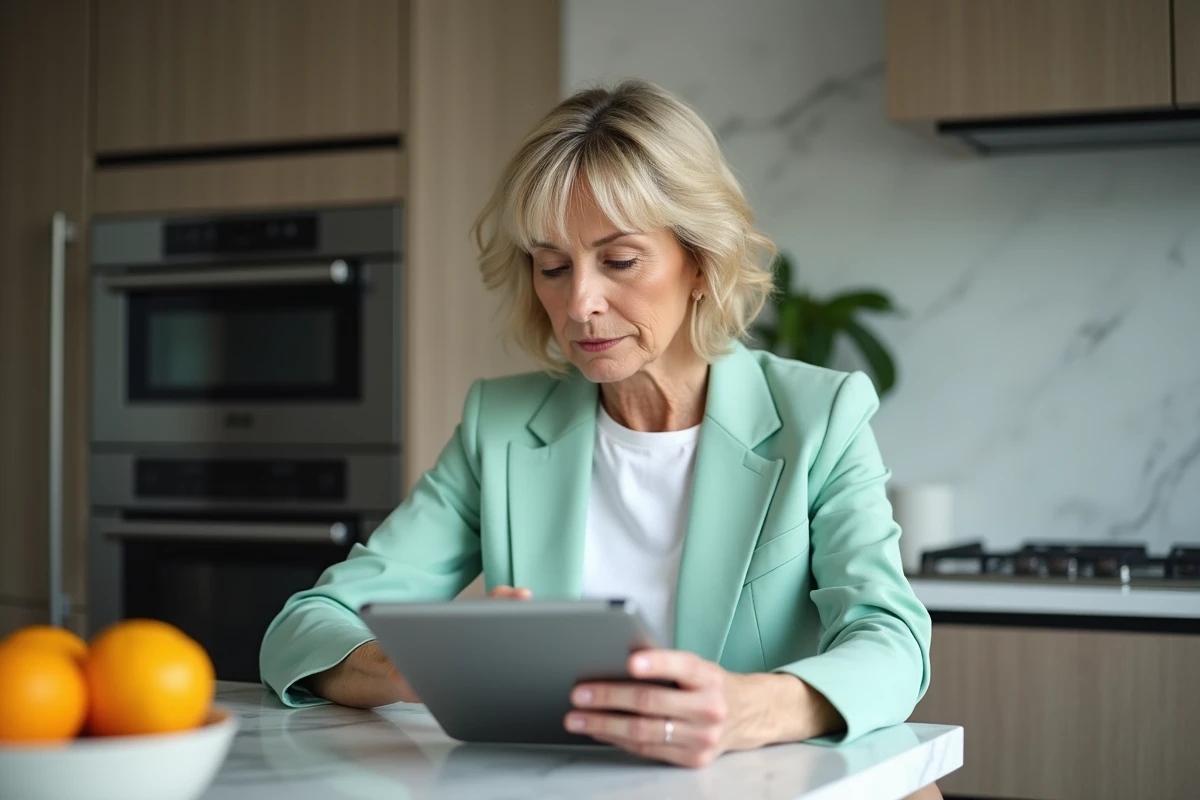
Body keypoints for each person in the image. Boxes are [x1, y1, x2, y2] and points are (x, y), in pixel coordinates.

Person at [260, 79, 936, 791]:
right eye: (552, 267)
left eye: (619, 261)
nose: (579, 302)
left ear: (699, 261)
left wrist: (754, 708)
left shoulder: (818, 416)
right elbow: (306, 625)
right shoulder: (502, 426)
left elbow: (892, 642)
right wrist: (407, 665)